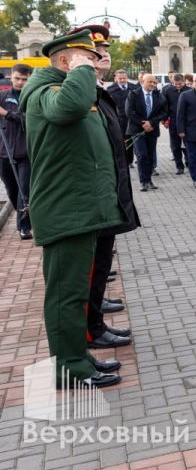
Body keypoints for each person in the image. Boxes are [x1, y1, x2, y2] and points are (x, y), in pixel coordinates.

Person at [21, 30, 124, 388]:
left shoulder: (66, 89)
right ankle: (69, 367)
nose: (95, 63)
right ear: (65, 62)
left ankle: (78, 357)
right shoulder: (46, 93)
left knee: (75, 292)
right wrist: (81, 73)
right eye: (87, 59)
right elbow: (70, 108)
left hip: (79, 209)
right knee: (67, 295)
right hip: (66, 210)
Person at [83, 27, 138, 352]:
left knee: (101, 263)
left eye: (105, 48)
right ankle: (90, 330)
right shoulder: (78, 92)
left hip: (106, 195)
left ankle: (96, 320)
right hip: (92, 201)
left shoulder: (96, 89)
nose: (103, 53)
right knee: (90, 268)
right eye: (94, 49)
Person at [0, 63, 32, 239]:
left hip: (25, 151)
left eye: (24, 79)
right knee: (12, 190)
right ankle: (25, 216)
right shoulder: (2, 96)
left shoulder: (31, 98)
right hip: (4, 152)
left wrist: (7, 114)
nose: (20, 82)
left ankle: (24, 226)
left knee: (23, 190)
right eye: (17, 78)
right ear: (11, 76)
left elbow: (30, 120)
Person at [126, 74, 167, 191]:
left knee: (149, 155)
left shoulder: (159, 95)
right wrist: (143, 123)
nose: (153, 85)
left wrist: (151, 122)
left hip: (152, 130)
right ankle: (143, 181)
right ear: (142, 81)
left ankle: (149, 180)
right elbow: (129, 111)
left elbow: (164, 112)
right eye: (150, 82)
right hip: (137, 130)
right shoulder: (133, 94)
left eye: (155, 82)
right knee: (142, 155)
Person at [106, 68, 137, 167]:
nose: (123, 80)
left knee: (131, 140)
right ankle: (122, 160)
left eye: (124, 78)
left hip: (132, 118)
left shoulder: (134, 87)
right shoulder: (110, 90)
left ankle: (130, 161)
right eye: (120, 79)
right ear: (116, 78)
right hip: (119, 119)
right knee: (121, 140)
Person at [161, 73, 187, 174]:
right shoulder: (168, 91)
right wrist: (164, 120)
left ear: (184, 81)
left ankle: (189, 161)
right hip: (173, 121)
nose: (178, 86)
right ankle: (179, 166)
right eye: (175, 84)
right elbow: (165, 106)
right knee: (175, 145)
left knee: (187, 143)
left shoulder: (189, 91)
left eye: (180, 84)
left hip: (186, 121)